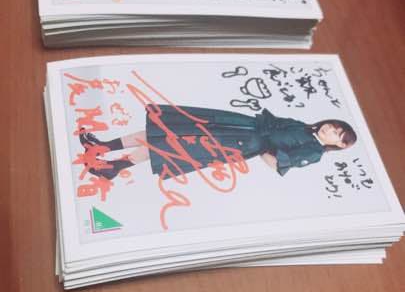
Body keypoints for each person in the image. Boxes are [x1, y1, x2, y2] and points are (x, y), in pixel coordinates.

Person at [78, 105, 357, 181]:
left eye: (337, 134)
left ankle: (114, 167)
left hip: (238, 142)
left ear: (339, 145)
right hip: (236, 124)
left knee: (170, 144)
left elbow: (277, 164)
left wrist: (264, 146)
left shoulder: (314, 151)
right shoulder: (304, 127)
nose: (331, 129)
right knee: (168, 127)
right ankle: (103, 147)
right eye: (335, 126)